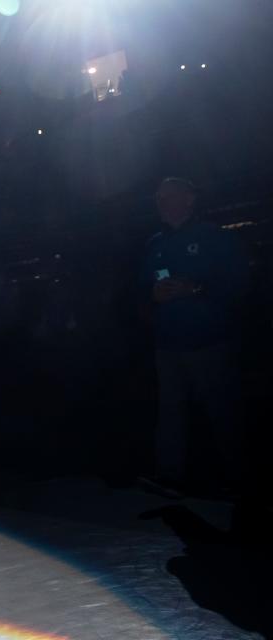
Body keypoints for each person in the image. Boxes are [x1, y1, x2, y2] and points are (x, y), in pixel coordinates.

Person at [139, 177, 251, 497]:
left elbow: (240, 283)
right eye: (157, 198)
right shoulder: (154, 245)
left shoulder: (212, 237)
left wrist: (196, 288)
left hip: (209, 341)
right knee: (171, 411)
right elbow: (143, 289)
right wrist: (153, 295)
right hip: (168, 343)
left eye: (167, 196)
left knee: (222, 409)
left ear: (188, 199)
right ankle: (169, 476)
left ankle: (239, 479)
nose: (160, 202)